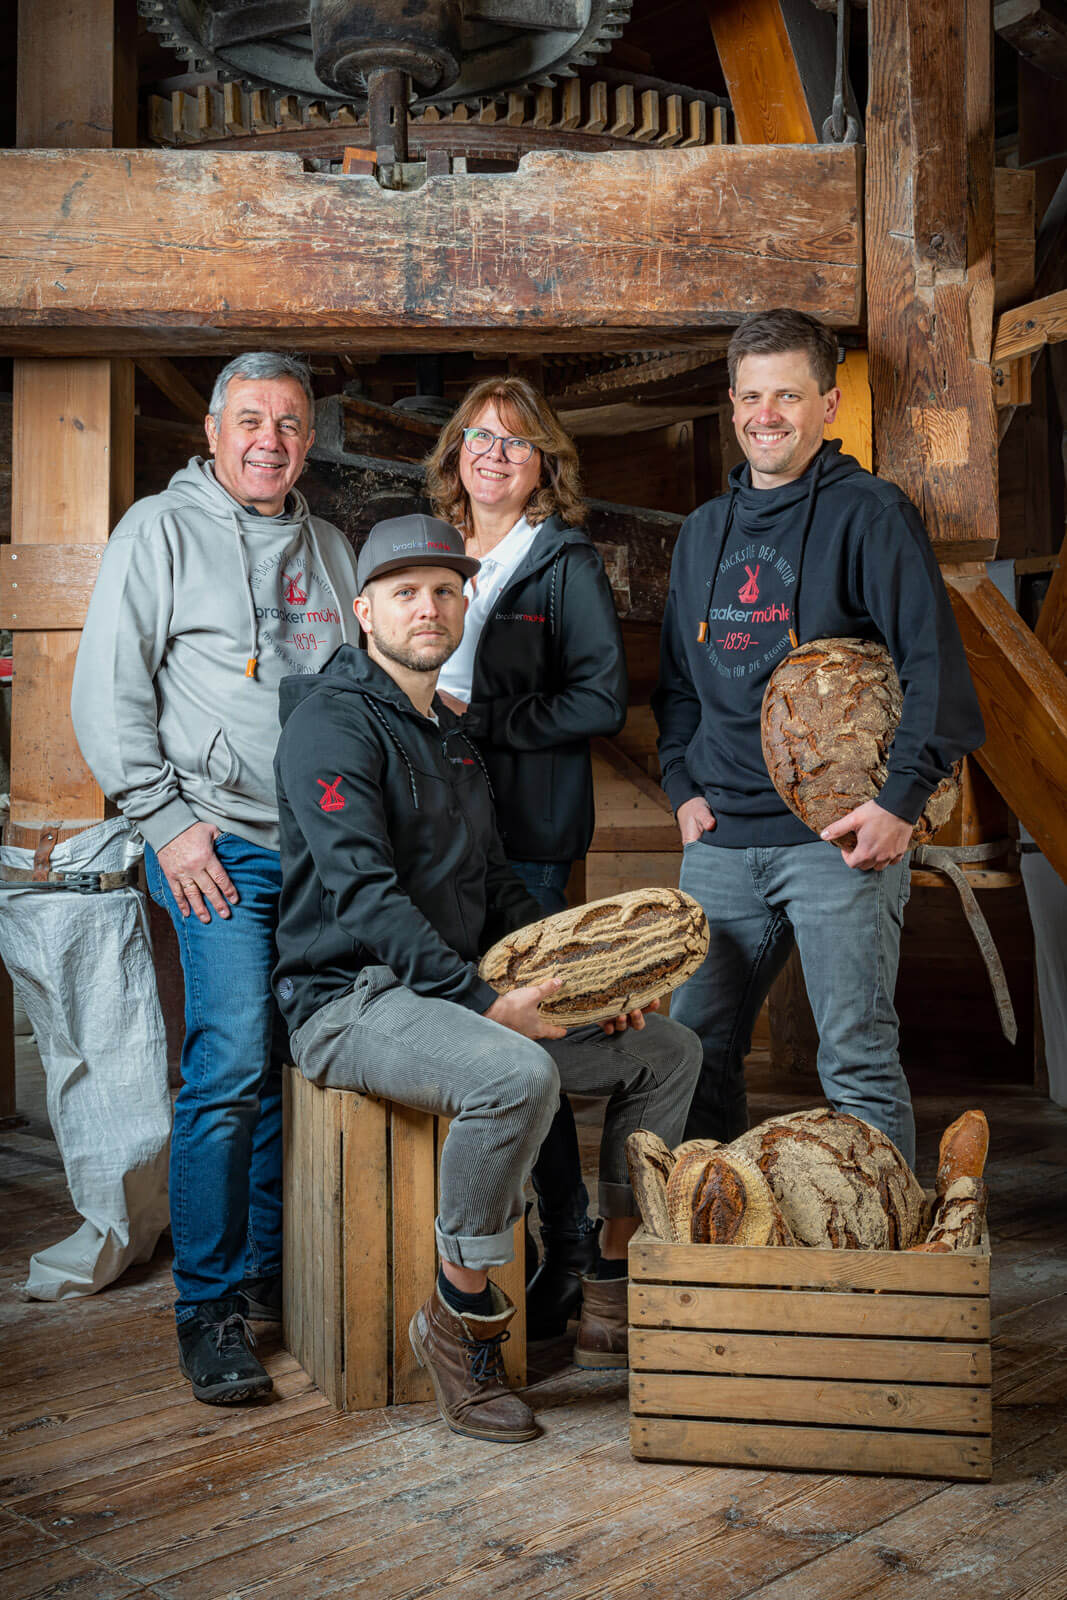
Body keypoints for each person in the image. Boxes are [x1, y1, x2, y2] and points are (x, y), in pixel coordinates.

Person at [272, 514, 701, 1441]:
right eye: (403, 592)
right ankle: (457, 1319)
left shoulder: (452, 735)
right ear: (363, 611)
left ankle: (610, 1283)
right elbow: (363, 895)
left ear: (464, 603)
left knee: (666, 1051)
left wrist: (594, 982)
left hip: (451, 991)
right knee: (515, 1073)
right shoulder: (329, 723)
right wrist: (482, 1003)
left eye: (443, 590)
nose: (426, 608)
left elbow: (501, 887)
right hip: (350, 998)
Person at [71, 352, 361, 1404]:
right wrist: (165, 824)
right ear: (211, 430)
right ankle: (210, 1305)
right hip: (215, 844)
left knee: (292, 1061)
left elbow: (352, 697)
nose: (269, 441)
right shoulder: (159, 529)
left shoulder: (329, 546)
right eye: (250, 420)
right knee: (232, 1061)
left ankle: (270, 1273)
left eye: (288, 423)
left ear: (307, 439)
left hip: (318, 850)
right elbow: (105, 689)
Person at [652, 309, 984, 1170]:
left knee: (856, 1058)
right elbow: (677, 689)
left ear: (828, 405)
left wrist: (899, 802)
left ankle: (875, 1276)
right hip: (721, 841)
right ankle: (713, 1247)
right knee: (693, 1051)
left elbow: (932, 667)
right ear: (731, 404)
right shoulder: (698, 534)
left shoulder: (870, 515)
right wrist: (681, 790)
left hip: (839, 843)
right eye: (753, 396)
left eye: (789, 396)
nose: (769, 415)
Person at [423, 377, 628, 1338]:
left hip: (529, 839)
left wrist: (484, 719)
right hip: (444, 831)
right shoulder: (434, 551)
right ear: (454, 452)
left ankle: (566, 1252)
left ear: (544, 461)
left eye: (514, 442)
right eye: (477, 437)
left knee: (526, 1042)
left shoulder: (562, 565)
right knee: (476, 1040)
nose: (492, 455)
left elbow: (600, 700)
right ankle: (524, 1246)